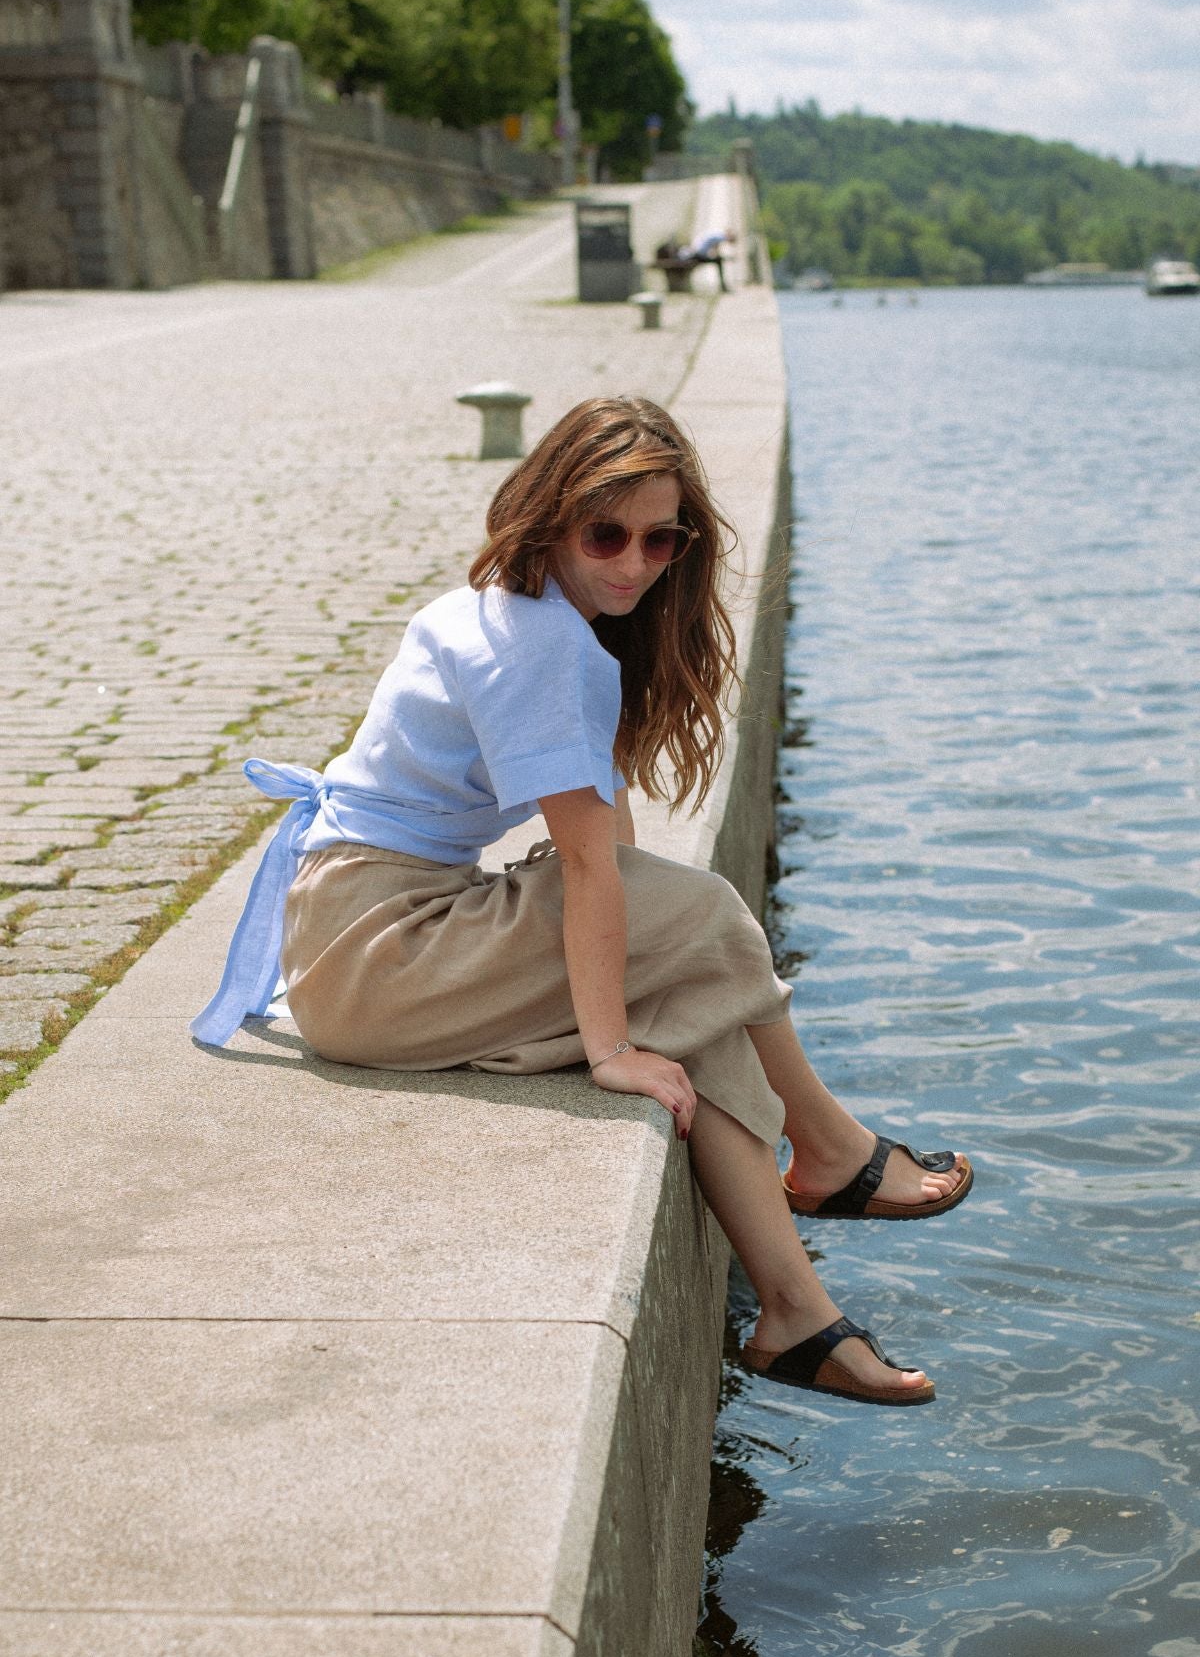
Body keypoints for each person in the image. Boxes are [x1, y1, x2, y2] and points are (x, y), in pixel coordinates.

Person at [191, 395, 972, 1408]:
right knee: (711, 918)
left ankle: (795, 1314)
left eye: (662, 539)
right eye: (607, 535)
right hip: (379, 953)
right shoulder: (542, 646)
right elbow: (594, 868)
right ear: (550, 516)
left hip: (355, 938)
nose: (634, 564)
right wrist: (609, 1049)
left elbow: (612, 840)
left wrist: (652, 955)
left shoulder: (521, 611)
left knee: (687, 989)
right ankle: (828, 1147)